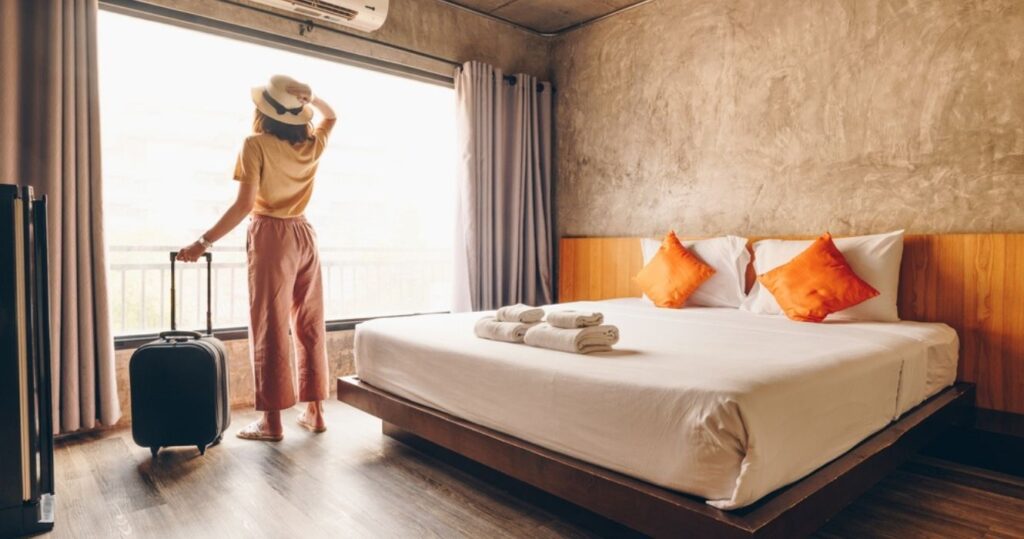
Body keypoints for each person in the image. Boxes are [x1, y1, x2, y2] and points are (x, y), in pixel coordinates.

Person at [177, 75, 337, 441]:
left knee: (270, 324)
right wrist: (313, 97)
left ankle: (272, 422)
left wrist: (203, 242)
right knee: (310, 321)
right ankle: (315, 412)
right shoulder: (310, 144)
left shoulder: (255, 145)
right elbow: (331, 118)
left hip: (271, 236)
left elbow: (244, 206)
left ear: (263, 110)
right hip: (304, 234)